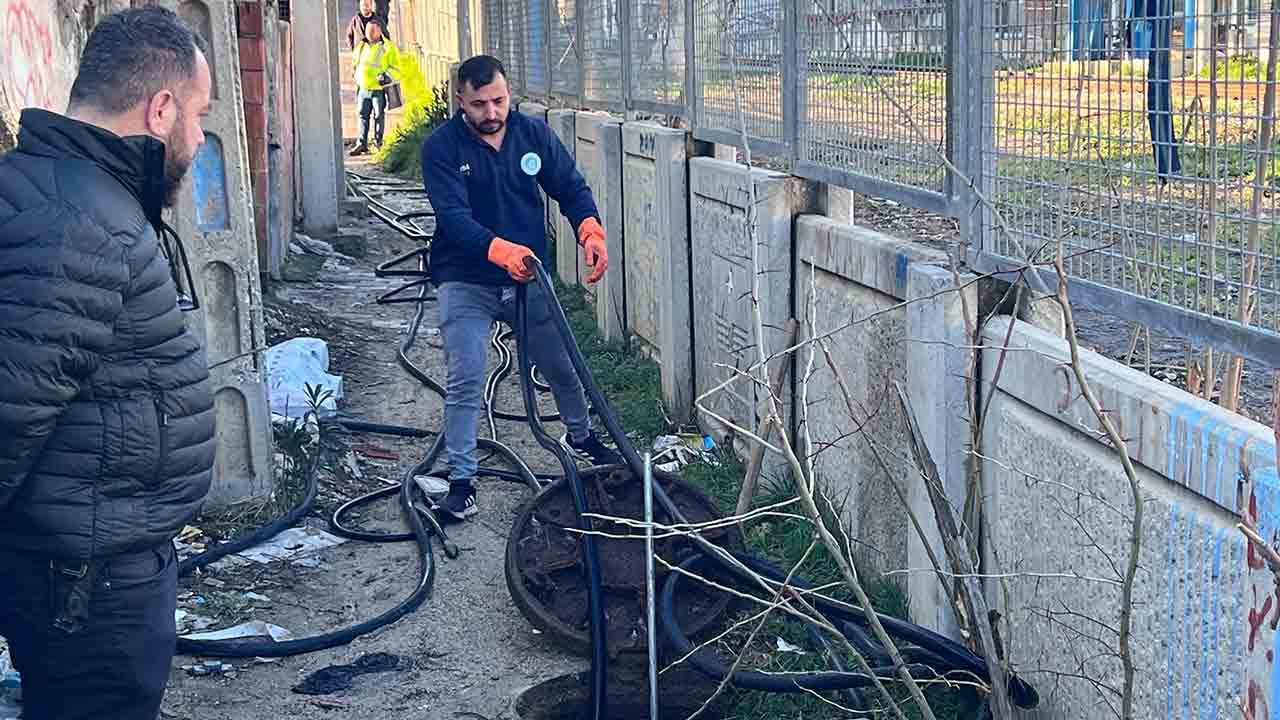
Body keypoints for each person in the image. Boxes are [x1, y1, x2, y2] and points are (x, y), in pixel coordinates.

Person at [0, 7, 216, 719]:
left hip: (91, 570)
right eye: (198, 116)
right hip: (84, 590)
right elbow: (10, 410)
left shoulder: (72, 193)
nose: (199, 137)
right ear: (160, 109)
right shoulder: (80, 220)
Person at [420, 54, 620, 521]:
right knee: (466, 375)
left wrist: (590, 230)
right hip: (465, 277)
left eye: (499, 101)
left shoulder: (533, 135)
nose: (491, 113)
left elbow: (570, 187)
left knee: (562, 366)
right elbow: (454, 220)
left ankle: (581, 437)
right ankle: (462, 480)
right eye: (479, 105)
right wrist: (500, 251)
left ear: (509, 95)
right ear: (460, 101)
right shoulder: (441, 149)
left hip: (528, 275)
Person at [350, 17, 400, 156]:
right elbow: (355, 61)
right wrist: (355, 75)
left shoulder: (388, 47)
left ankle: (378, 144)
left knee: (378, 116)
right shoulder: (361, 45)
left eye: (372, 31)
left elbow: (396, 68)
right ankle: (362, 144)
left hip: (378, 90)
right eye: (368, 31)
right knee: (362, 116)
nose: (370, 34)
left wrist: (386, 76)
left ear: (379, 31)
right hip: (363, 88)